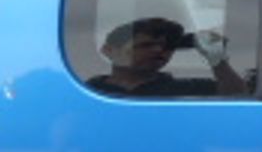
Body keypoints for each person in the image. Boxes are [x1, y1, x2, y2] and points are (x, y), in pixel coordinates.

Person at [87, 16, 247, 97]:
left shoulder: (189, 89)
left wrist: (217, 60)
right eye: (146, 45)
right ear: (109, 50)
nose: (159, 51)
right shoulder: (90, 90)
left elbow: (238, 99)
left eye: (168, 47)